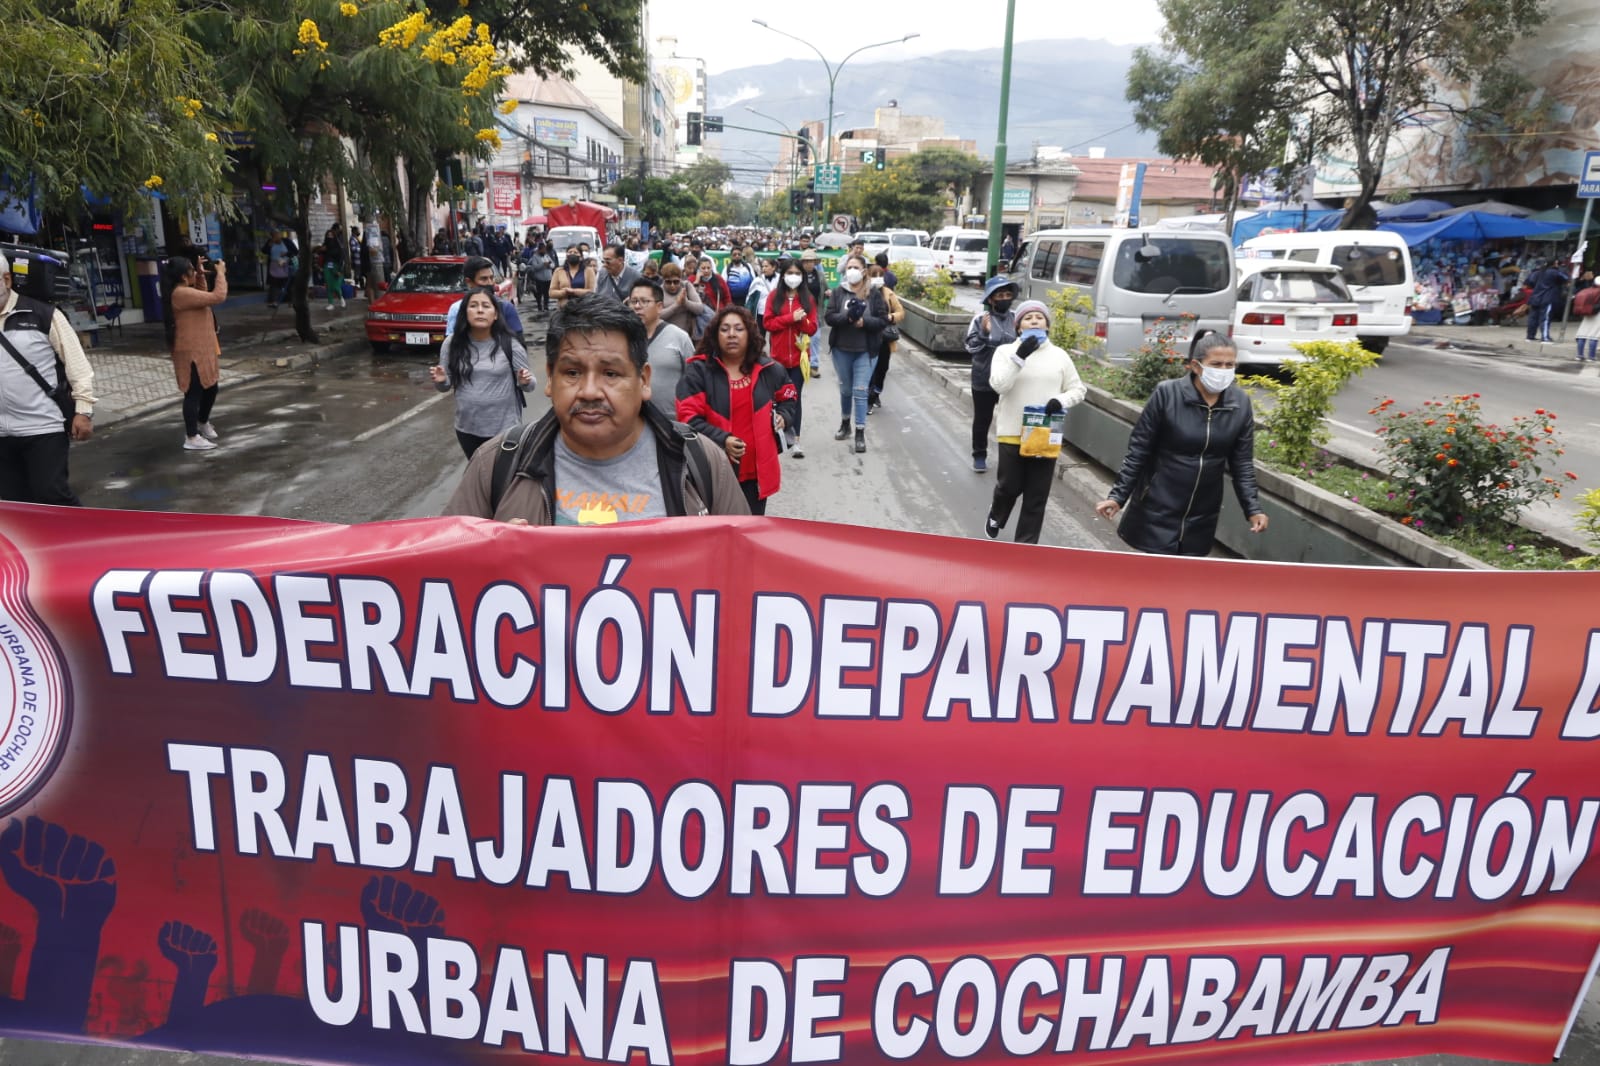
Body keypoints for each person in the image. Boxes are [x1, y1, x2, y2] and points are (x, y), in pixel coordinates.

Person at [444, 294, 748, 523]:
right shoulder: (497, 464)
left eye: (611, 374)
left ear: (643, 380)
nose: (589, 391)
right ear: (550, 378)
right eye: (572, 373)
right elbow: (441, 575)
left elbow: (745, 576)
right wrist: (492, 558)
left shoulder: (700, 462)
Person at [1094, 332, 1269, 556]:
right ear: (1196, 366)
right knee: (1152, 581)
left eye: (1230, 365)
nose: (1224, 370)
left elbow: (1242, 463)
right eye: (1216, 364)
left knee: (1183, 581)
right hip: (1157, 506)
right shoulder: (1167, 394)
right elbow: (1139, 450)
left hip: (1202, 513)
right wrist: (1118, 496)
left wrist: (1252, 508)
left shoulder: (1240, 404)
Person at [677, 306, 798, 515]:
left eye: (738, 329)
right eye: (724, 329)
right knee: (718, 534)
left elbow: (789, 397)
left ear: (750, 333)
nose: (731, 334)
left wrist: (784, 417)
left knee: (751, 531)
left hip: (756, 475)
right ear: (715, 334)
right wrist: (722, 440)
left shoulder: (769, 369)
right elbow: (688, 419)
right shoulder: (698, 371)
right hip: (714, 472)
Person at [982, 300, 1085, 544]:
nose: (1035, 321)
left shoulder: (1059, 356)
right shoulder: (1005, 352)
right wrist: (1019, 358)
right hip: (1012, 431)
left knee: (1036, 496)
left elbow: (1078, 389)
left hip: (1045, 434)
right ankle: (997, 513)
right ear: (1019, 327)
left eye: (1040, 317)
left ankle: (1025, 548)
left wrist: (1060, 401)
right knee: (1009, 487)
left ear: (1047, 325)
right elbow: (999, 385)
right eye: (1028, 318)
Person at [0, 251, 95, 504]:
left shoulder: (43, 315)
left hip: (42, 427)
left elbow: (78, 366)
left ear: (7, 280)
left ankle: (88, 539)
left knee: (52, 495)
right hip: (1, 434)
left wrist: (83, 410)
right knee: (14, 505)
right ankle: (34, 545)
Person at [431, 286, 534, 460]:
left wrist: (524, 381)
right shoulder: (452, 343)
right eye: (474, 306)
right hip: (467, 428)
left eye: (486, 306)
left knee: (500, 478)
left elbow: (530, 386)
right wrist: (441, 380)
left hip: (504, 429)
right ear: (465, 312)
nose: (480, 310)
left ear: (495, 315)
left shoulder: (510, 344)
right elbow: (444, 386)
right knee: (477, 475)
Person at [822, 253, 888, 454]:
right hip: (842, 350)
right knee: (846, 390)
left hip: (866, 351)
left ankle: (860, 432)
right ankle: (845, 423)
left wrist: (864, 322)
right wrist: (848, 318)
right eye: (848, 267)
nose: (850, 271)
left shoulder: (874, 294)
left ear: (863, 271)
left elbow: (882, 320)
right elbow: (829, 317)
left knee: (860, 390)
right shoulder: (838, 292)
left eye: (854, 267)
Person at [164, 255, 230, 452]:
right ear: (184, 276)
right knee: (193, 393)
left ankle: (202, 422)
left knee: (211, 387)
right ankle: (191, 436)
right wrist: (220, 274)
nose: (196, 271)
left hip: (202, 348)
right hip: (190, 351)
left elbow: (201, 297)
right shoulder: (180, 294)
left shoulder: (186, 291)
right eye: (192, 270)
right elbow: (217, 296)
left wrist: (200, 276)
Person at [964, 275, 1020, 472]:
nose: (1004, 298)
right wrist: (984, 334)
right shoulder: (980, 320)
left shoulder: (1016, 318)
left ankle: (1011, 458)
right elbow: (970, 347)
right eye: (999, 295)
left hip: (1011, 379)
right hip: (984, 378)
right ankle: (979, 454)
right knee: (983, 419)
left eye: (1007, 294)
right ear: (990, 299)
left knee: (1012, 419)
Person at [762, 258, 817, 457]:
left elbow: (812, 328)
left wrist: (801, 320)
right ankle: (776, 435)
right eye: (790, 273)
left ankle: (795, 440)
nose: (793, 277)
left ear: (802, 277)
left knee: (794, 398)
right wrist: (789, 319)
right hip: (777, 359)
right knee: (776, 398)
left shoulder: (808, 299)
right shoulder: (773, 297)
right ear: (783, 275)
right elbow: (768, 324)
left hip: (799, 359)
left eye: (797, 274)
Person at [629, 278, 696, 418]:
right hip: (632, 420)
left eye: (644, 301)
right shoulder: (623, 339)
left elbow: (694, 381)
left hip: (672, 421)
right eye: (633, 301)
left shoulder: (679, 337)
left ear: (659, 306)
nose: (637, 306)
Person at [445, 257, 524, 340]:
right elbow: (452, 344)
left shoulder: (506, 307)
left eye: (491, 278)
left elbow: (519, 342)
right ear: (469, 282)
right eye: (484, 279)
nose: (490, 283)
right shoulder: (457, 309)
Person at [866, 263, 904, 412]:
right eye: (873, 276)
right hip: (867, 339)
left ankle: (876, 393)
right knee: (870, 370)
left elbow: (901, 312)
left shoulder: (888, 293)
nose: (877, 279)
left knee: (882, 369)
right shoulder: (863, 292)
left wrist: (891, 316)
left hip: (884, 340)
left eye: (880, 276)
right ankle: (868, 399)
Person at [659, 262, 707, 341]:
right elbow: (657, 315)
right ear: (663, 280)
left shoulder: (686, 286)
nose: (672, 285)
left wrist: (685, 302)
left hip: (687, 336)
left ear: (680, 279)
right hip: (666, 337)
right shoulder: (659, 291)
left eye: (676, 282)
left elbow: (700, 309)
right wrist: (676, 305)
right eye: (668, 282)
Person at [799, 250, 828, 377]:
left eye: (811, 261)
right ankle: (800, 365)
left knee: (815, 339)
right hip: (799, 311)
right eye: (806, 261)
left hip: (816, 311)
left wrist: (828, 292)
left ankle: (814, 365)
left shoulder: (820, 275)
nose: (809, 264)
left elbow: (826, 288)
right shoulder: (798, 275)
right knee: (800, 339)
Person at [1526, 260, 1568, 342]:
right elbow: (1566, 278)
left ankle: (1530, 336)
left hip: (1535, 297)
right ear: (1554, 264)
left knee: (1533, 318)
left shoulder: (1537, 272)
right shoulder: (1554, 272)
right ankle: (1545, 337)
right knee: (1545, 319)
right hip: (1547, 298)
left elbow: (1530, 282)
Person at [263, 229, 297, 308]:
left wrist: (286, 253)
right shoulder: (270, 242)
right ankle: (274, 301)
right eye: (274, 235)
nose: (276, 236)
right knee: (274, 284)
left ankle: (292, 301)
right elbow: (264, 251)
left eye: (277, 234)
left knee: (289, 284)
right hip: (274, 265)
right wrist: (270, 244)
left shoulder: (286, 241)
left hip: (286, 264)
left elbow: (295, 251)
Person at [321, 225, 347, 312]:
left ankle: (341, 298)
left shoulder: (338, 246)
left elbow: (341, 258)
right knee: (329, 285)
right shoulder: (325, 246)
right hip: (327, 267)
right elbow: (320, 256)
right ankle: (330, 303)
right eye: (328, 235)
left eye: (331, 235)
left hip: (336, 267)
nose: (329, 237)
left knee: (335, 286)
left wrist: (339, 270)